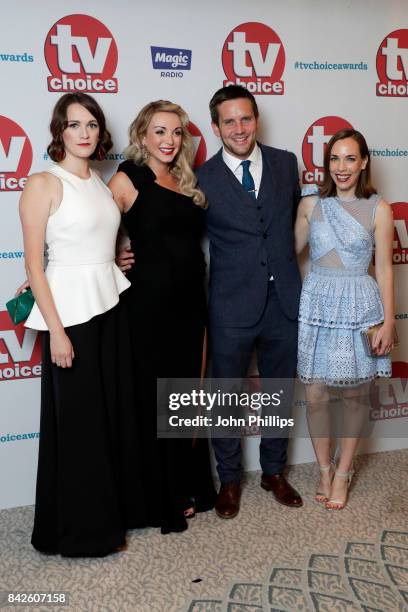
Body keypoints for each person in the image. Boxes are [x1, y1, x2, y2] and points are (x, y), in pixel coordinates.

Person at [20, 92, 138, 557]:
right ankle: (80, 533)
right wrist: (57, 332)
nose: (85, 133)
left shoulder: (101, 183)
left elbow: (98, 239)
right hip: (70, 317)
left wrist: (118, 254)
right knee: (78, 427)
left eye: (92, 124)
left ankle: (106, 516)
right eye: (75, 125)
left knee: (106, 420)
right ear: (60, 131)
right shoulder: (43, 183)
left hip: (110, 308)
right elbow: (34, 264)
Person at [109, 100, 216, 534]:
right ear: (141, 136)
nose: (169, 141)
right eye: (159, 131)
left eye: (175, 132)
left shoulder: (185, 180)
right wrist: (112, 253)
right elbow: (89, 226)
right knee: (156, 396)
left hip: (191, 301)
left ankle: (188, 484)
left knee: (188, 391)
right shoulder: (127, 177)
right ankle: (161, 496)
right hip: (148, 306)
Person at [196, 85, 303, 518]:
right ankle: (230, 479)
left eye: (246, 118)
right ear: (216, 126)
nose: (239, 128)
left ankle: (273, 471)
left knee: (279, 390)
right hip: (229, 303)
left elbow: (296, 222)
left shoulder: (285, 162)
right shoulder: (200, 177)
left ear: (256, 119)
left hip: (284, 301)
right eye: (229, 121)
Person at [294, 128, 395, 510]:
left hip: (360, 306)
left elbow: (385, 269)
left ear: (364, 161)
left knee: (354, 396)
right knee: (316, 395)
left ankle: (344, 471)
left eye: (350, 158)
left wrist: (387, 322)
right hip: (318, 303)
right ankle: (323, 468)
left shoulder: (378, 209)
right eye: (334, 159)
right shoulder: (310, 205)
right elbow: (288, 252)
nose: (341, 167)